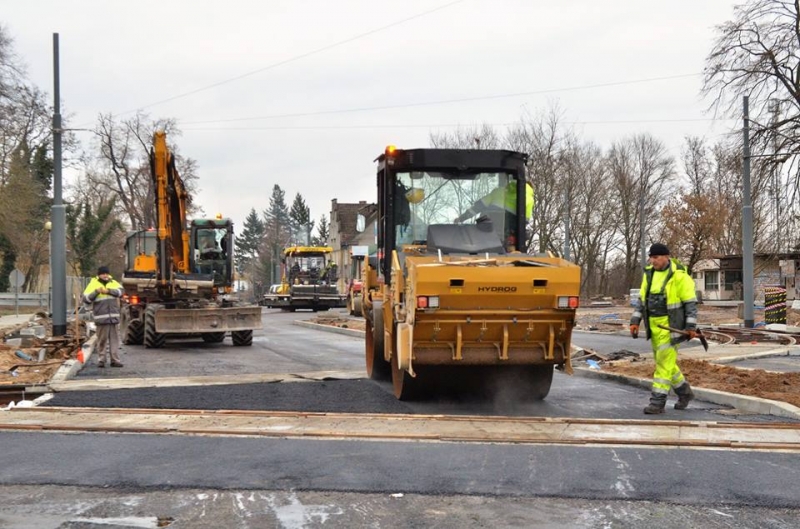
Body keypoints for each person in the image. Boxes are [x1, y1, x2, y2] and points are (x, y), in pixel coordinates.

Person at [630, 243, 698, 414]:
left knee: (663, 365)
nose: (653, 261)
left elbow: (690, 303)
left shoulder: (679, 276)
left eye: (656, 257)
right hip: (654, 326)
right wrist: (635, 321)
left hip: (670, 327)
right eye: (651, 257)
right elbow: (642, 300)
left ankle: (657, 402)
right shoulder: (649, 274)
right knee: (665, 362)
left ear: (666, 256)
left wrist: (690, 326)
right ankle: (685, 393)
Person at [453, 179, 534, 248]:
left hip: (486, 228)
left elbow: (477, 207)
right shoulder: (530, 199)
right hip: (505, 232)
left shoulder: (498, 191)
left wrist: (461, 218)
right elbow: (524, 221)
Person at [82, 265, 124, 368]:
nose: (105, 275)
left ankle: (115, 360)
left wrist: (109, 291)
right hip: (101, 318)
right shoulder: (93, 284)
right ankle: (102, 360)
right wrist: (96, 292)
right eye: (103, 274)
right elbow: (86, 298)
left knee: (114, 341)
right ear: (99, 275)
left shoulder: (113, 283)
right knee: (102, 340)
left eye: (106, 273)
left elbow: (121, 292)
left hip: (113, 317)